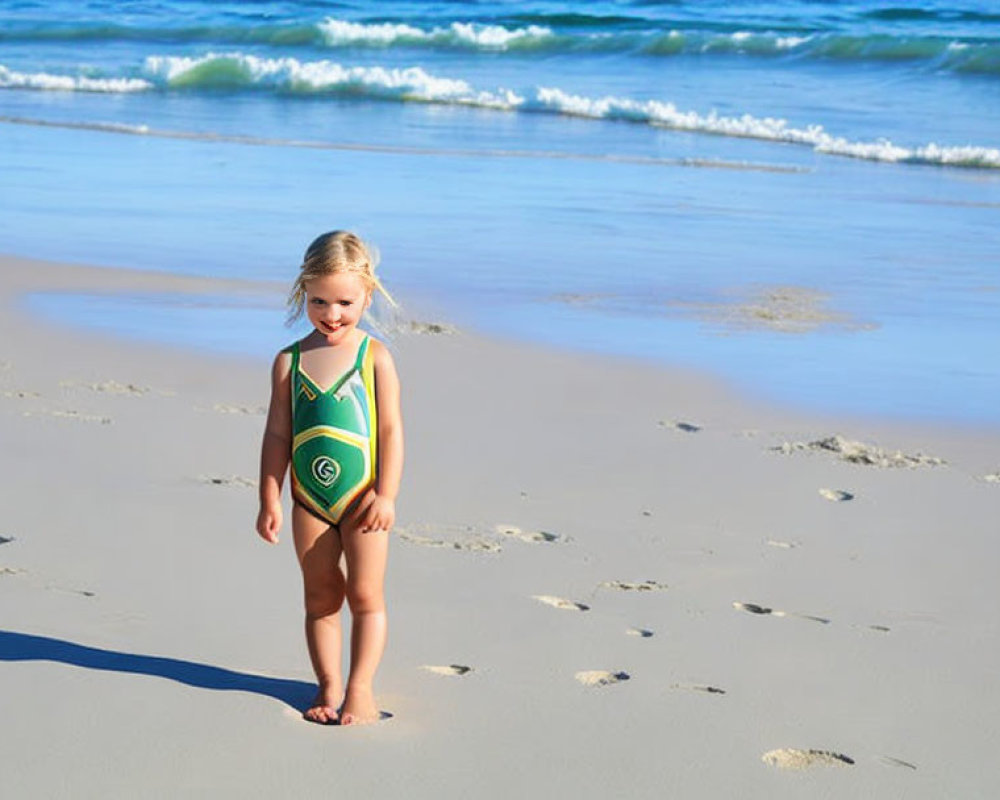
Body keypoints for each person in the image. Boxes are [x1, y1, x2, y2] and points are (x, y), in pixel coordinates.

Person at [256, 230, 403, 726]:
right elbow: (277, 434)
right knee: (320, 597)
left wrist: (387, 493)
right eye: (319, 301)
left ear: (367, 294)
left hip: (363, 501)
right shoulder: (289, 361)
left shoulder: (374, 357)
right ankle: (328, 684)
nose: (332, 313)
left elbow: (390, 430)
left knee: (365, 595)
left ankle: (360, 688)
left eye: (345, 301)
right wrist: (269, 498)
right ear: (303, 293)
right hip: (310, 503)